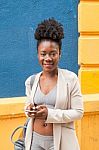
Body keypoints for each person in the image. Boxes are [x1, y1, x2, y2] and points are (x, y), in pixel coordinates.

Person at [24, 18, 84, 150]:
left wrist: (49, 114)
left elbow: (78, 112)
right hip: (34, 140)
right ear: (38, 54)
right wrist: (29, 110)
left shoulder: (70, 79)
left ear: (60, 54)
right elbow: (27, 108)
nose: (48, 58)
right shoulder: (31, 81)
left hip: (61, 143)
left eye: (53, 54)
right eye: (43, 54)